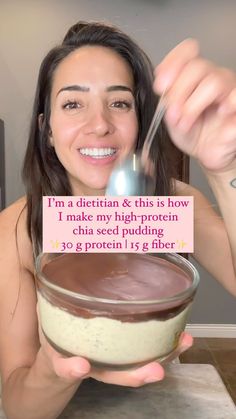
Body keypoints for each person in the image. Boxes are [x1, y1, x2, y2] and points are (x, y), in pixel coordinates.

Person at [0, 20, 236, 419]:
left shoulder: (175, 203)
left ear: (139, 122)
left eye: (120, 102)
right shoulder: (16, 229)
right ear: (48, 131)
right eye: (73, 103)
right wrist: (58, 368)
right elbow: (20, 405)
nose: (100, 124)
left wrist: (223, 167)